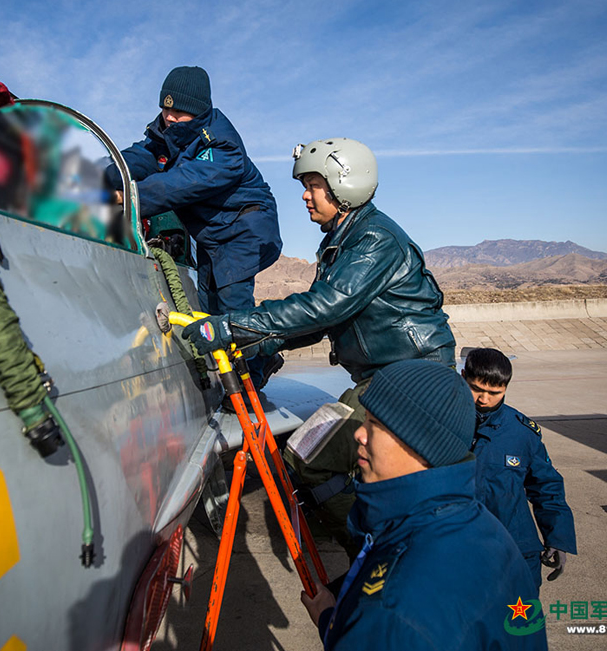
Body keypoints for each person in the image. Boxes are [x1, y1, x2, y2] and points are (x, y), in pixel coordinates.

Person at [183, 137, 455, 561]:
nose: (306, 196)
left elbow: (323, 307)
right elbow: (318, 320)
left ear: (345, 186)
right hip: (384, 377)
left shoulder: (374, 239)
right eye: (305, 187)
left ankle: (376, 554)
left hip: (412, 377)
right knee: (308, 453)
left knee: (312, 456)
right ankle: (371, 539)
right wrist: (257, 344)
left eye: (314, 185)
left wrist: (232, 326)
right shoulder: (343, 240)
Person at [300, 360, 548, 650]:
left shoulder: (396, 609)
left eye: (375, 425)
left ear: (422, 443)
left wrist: (332, 624)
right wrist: (330, 617)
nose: (359, 433)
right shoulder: (484, 527)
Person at [105, 66, 283, 386]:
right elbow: (145, 157)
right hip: (214, 233)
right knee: (209, 305)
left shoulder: (223, 145)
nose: (170, 117)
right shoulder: (168, 133)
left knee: (230, 310)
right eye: (166, 108)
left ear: (200, 111)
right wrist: (105, 172)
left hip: (245, 226)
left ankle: (248, 384)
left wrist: (128, 196)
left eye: (179, 111)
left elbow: (180, 184)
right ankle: (264, 354)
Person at [463, 348, 577, 591]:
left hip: (514, 551)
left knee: (519, 627)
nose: (484, 399)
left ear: (506, 388)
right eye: (476, 389)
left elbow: (547, 487)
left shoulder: (522, 434)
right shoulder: (438, 424)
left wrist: (557, 537)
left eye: (494, 393)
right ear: (463, 376)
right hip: (456, 552)